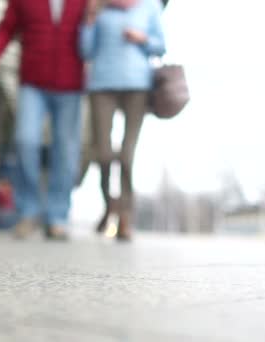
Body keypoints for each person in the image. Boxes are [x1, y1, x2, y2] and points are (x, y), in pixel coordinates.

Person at [0, 0, 87, 240]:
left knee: (66, 151)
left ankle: (57, 217)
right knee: (25, 141)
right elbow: (7, 28)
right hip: (33, 83)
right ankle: (28, 212)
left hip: (71, 85)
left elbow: (94, 29)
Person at [80, 0, 166, 241]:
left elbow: (161, 46)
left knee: (127, 155)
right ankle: (109, 205)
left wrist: (143, 39)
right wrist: (88, 24)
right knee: (104, 154)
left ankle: (125, 216)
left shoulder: (150, 7)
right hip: (102, 85)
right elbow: (86, 50)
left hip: (137, 86)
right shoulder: (99, 7)